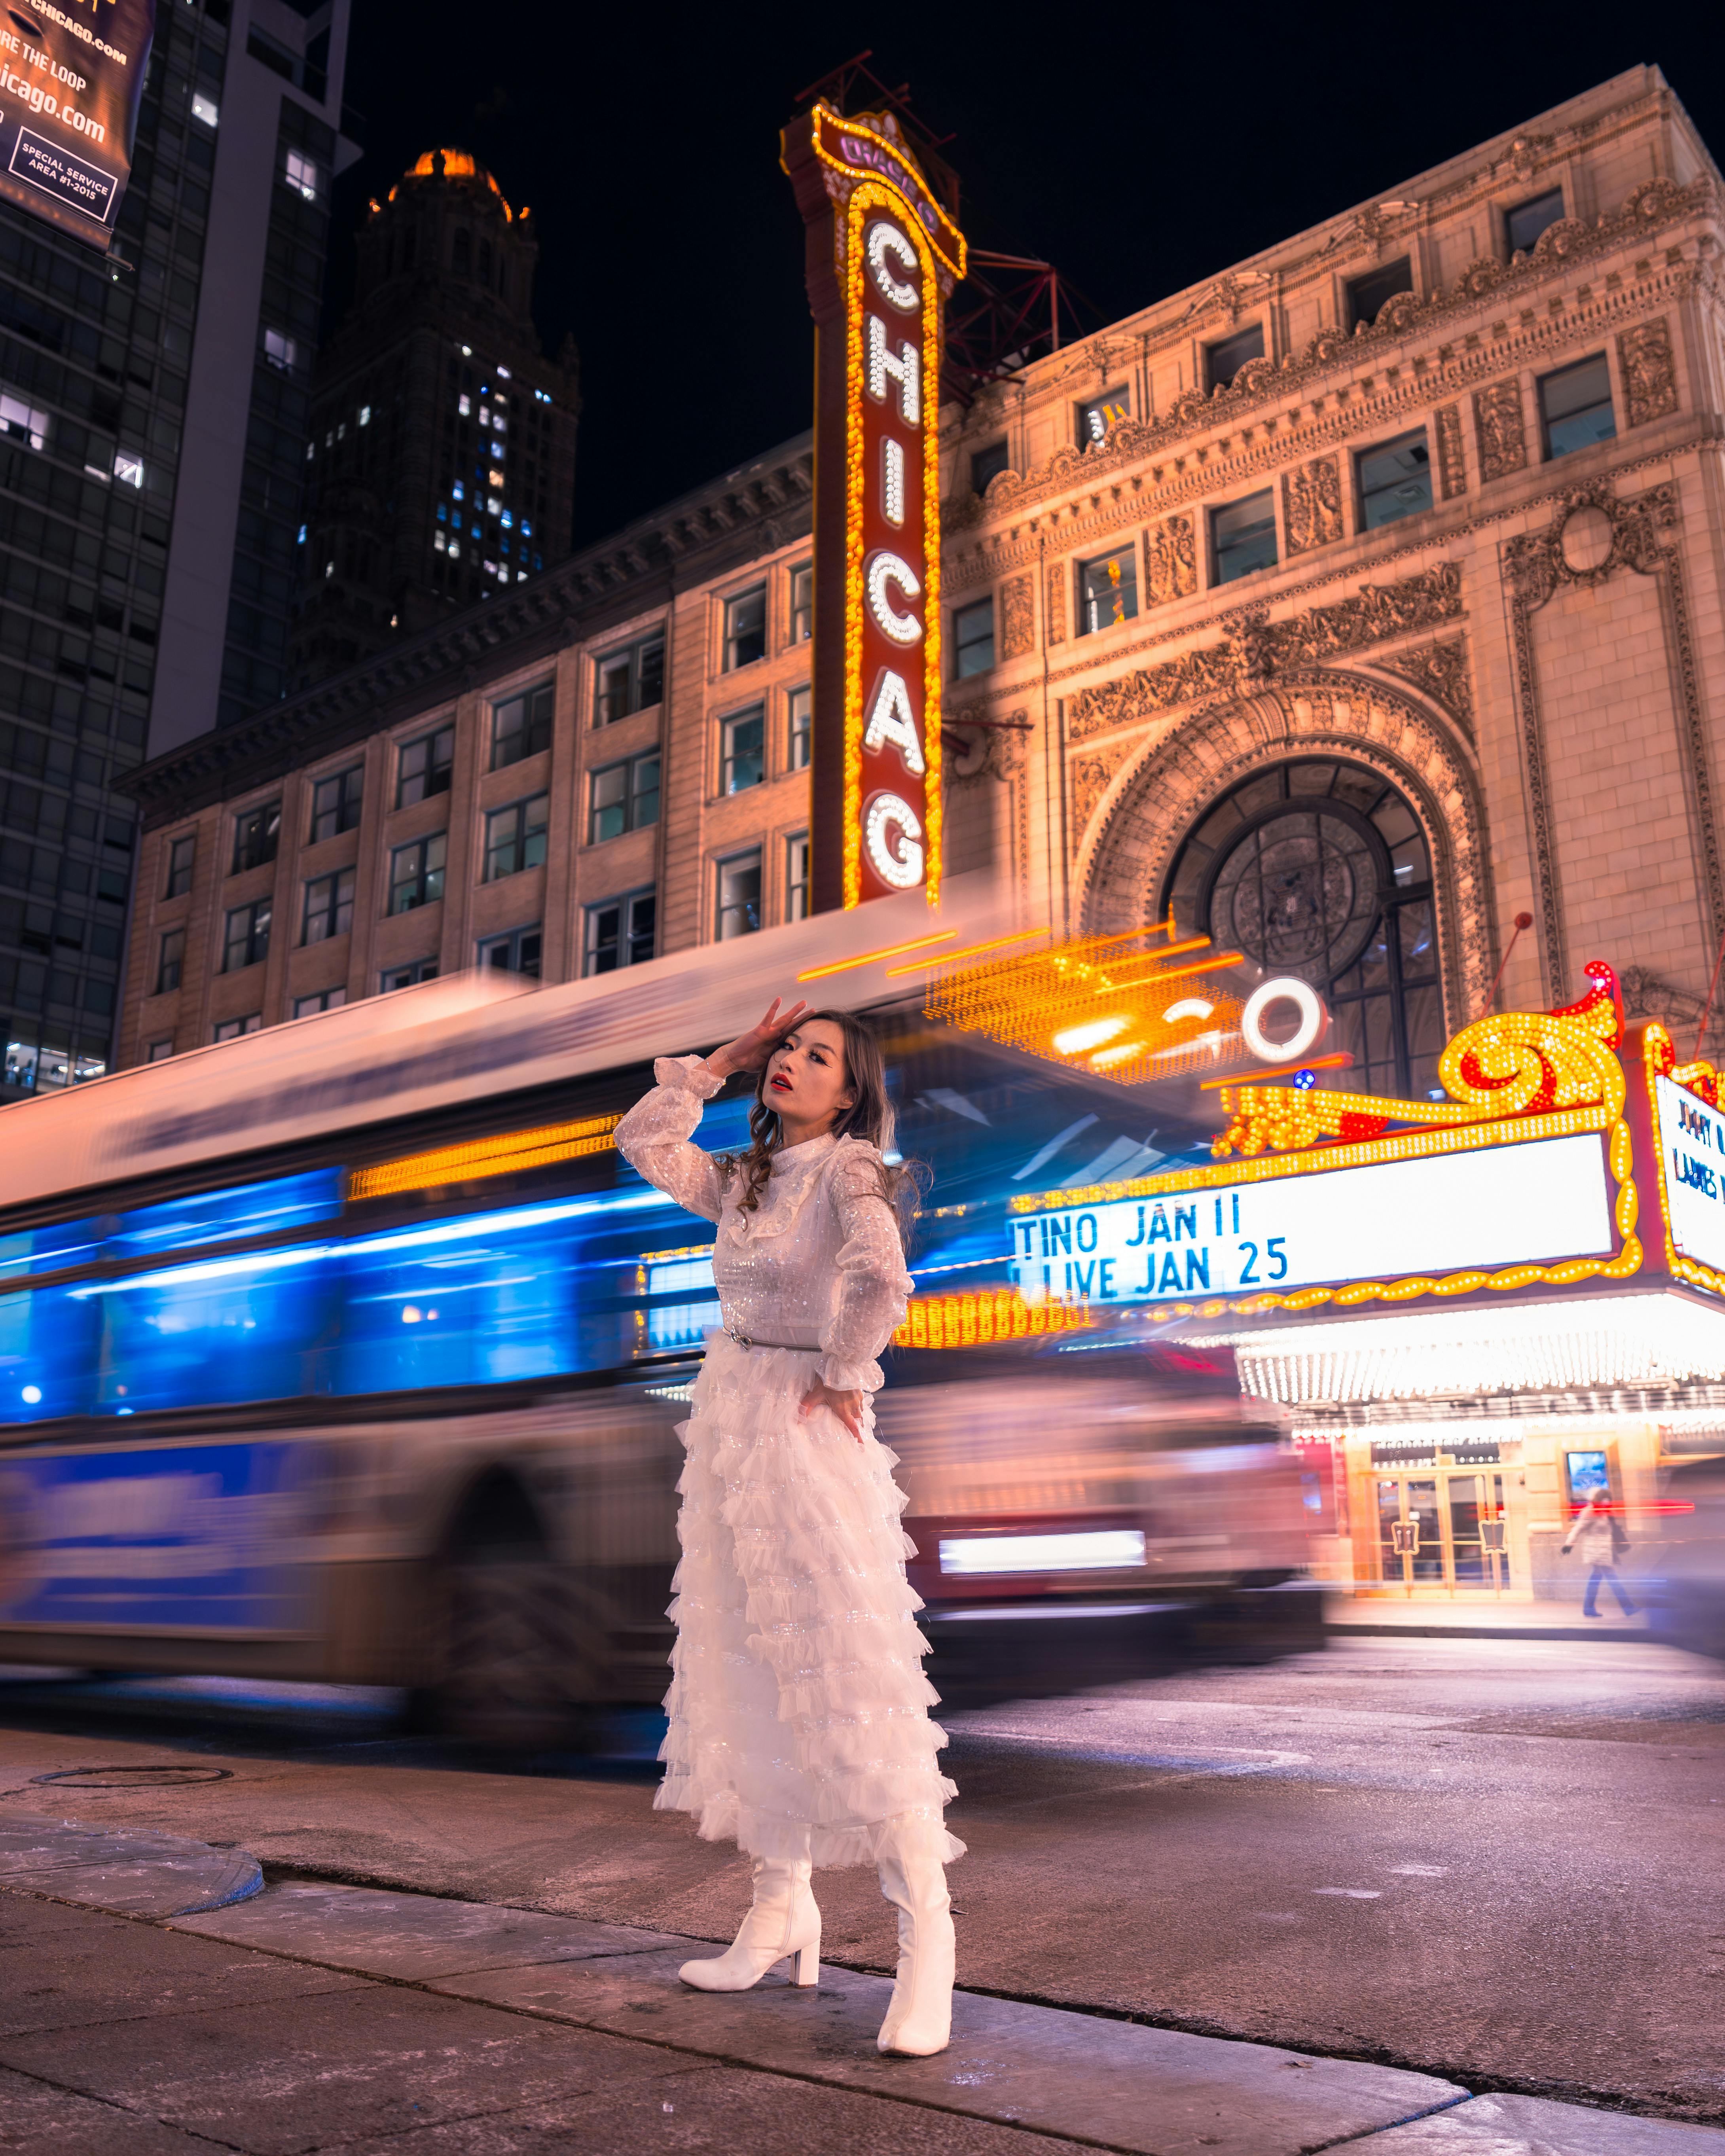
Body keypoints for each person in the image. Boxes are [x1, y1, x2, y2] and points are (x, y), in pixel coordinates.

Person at [613, 997, 963, 2057]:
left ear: (851, 1091)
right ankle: (780, 1910)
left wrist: (843, 1369)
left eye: (818, 1058)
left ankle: (928, 1947)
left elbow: (882, 1275)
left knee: (849, 1679)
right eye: (788, 1052)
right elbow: (643, 1141)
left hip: (805, 1433)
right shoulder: (748, 1177)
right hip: (732, 1426)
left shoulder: (850, 1167)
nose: (794, 1066)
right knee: (752, 1663)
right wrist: (715, 1064)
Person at [1562, 1487, 1637, 1618]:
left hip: (1604, 1551)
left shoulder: (1605, 1512)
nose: (1607, 1502)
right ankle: (1628, 1607)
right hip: (1596, 1551)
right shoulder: (1590, 1511)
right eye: (1604, 1499)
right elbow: (1578, 1529)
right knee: (1613, 1580)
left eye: (1608, 1499)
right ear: (1599, 1499)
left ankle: (1589, 1608)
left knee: (1595, 1580)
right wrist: (1569, 1544)